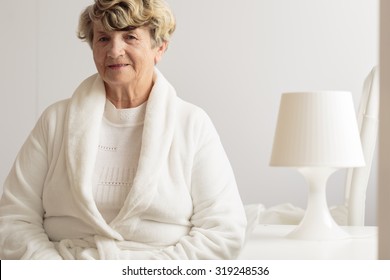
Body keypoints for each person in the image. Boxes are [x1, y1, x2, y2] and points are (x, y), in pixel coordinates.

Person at [0, 0, 247, 260]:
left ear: (159, 47)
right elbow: (14, 218)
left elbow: (223, 230)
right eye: (103, 38)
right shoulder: (55, 121)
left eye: (130, 37)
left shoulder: (192, 124)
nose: (115, 50)